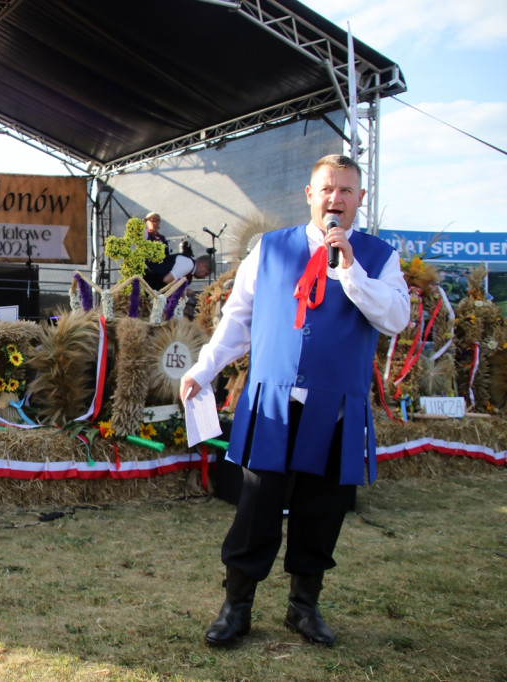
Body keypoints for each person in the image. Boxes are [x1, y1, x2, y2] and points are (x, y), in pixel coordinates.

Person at [179, 154, 409, 647]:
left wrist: (351, 271)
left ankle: (304, 607)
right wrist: (204, 369)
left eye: (346, 190)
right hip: (273, 405)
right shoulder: (270, 249)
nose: (336, 199)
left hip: (337, 409)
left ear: (359, 199)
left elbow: (395, 318)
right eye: (327, 189)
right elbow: (238, 319)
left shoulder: (378, 256)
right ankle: (235, 607)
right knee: (256, 508)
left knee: (321, 511)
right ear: (309, 194)